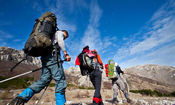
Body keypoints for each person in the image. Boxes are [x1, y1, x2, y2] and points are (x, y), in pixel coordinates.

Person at [9, 30, 71, 105]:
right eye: (65, 37)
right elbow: (60, 41)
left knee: (44, 80)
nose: (64, 38)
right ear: (64, 33)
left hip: (45, 58)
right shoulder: (59, 33)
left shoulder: (51, 36)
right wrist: (66, 53)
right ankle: (60, 103)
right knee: (60, 80)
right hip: (53, 57)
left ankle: (20, 99)